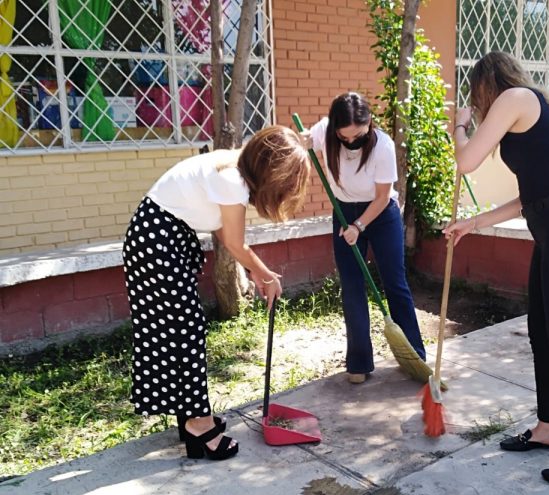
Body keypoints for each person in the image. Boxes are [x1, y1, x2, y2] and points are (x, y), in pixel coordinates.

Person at [445, 52, 549, 490]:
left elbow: (465, 162)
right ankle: (548, 428)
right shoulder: (528, 111)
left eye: (475, 97)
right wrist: (473, 223)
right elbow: (530, 197)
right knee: (543, 334)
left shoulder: (516, 98)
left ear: (485, 86)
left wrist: (459, 125)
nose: (477, 105)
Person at [122, 126, 310, 461]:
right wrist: (264, 274)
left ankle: (190, 417)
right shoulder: (233, 180)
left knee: (179, 330)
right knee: (186, 330)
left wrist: (262, 274)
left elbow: (227, 235)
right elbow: (235, 243)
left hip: (163, 236)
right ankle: (198, 425)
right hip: (157, 240)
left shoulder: (234, 168)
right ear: (269, 170)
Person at [306, 92, 426, 384]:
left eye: (357, 135)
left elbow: (383, 197)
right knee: (352, 286)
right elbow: (306, 138)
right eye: (344, 138)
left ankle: (415, 356)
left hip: (381, 213)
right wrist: (303, 140)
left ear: (369, 122)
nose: (351, 142)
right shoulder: (325, 132)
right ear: (335, 130)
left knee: (394, 283)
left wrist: (358, 226)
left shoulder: (382, 146)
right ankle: (359, 362)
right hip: (344, 210)